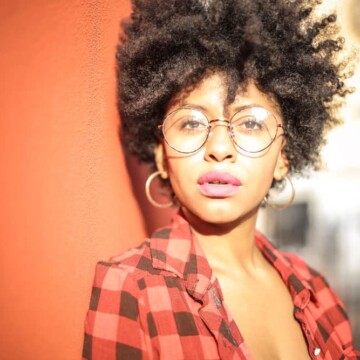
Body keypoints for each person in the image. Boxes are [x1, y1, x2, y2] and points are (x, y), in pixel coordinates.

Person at [83, 0, 360, 359]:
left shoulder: (319, 292)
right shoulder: (130, 288)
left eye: (250, 123)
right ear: (160, 157)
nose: (219, 148)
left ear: (284, 156)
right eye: (192, 122)